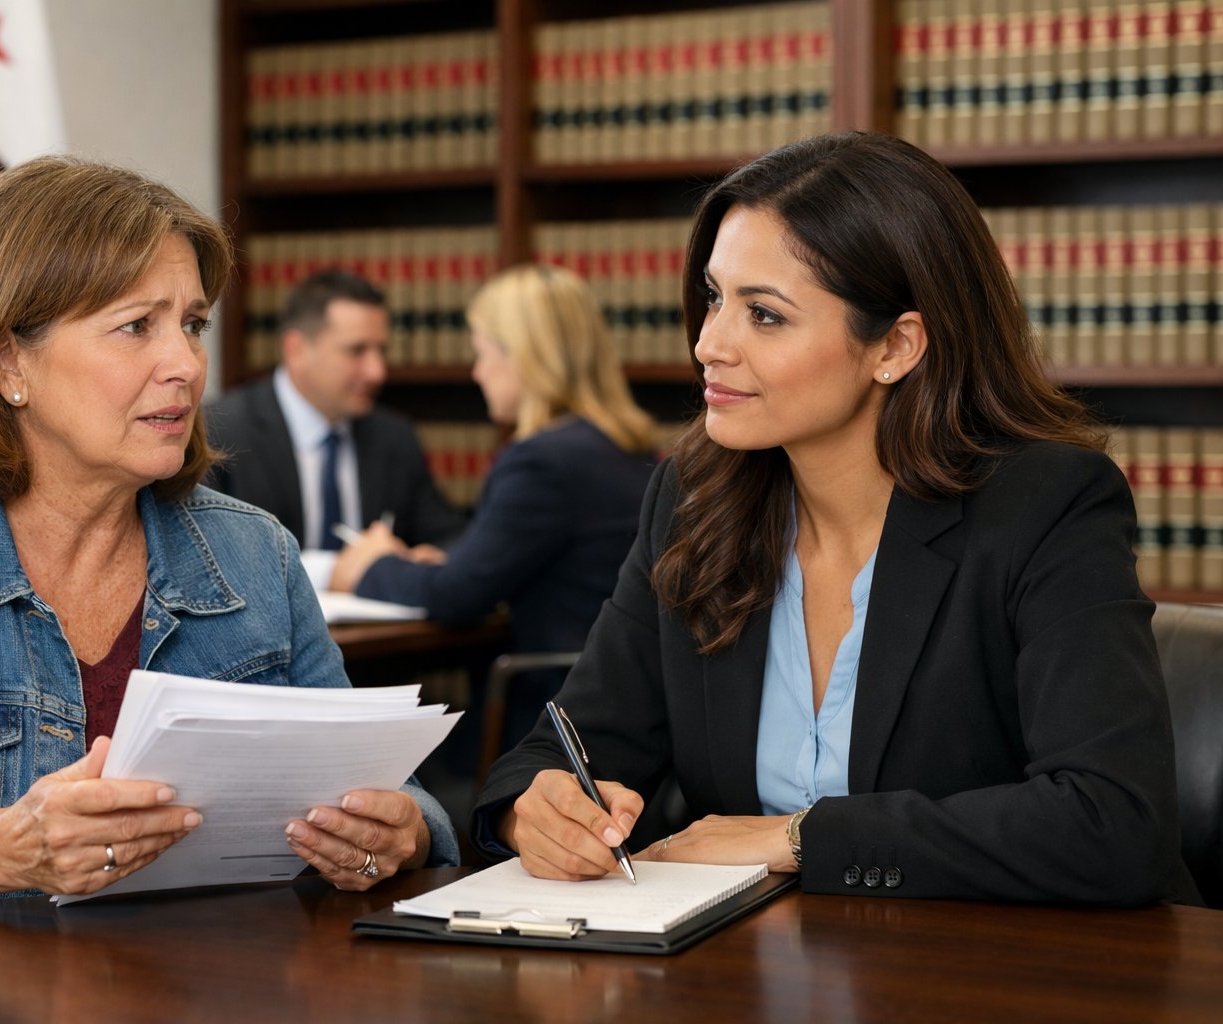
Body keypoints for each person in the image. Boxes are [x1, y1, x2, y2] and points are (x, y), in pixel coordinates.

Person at [0, 156, 456, 911]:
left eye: (192, 325)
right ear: (9, 364)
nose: (188, 366)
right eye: (137, 326)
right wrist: (1, 850)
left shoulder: (256, 554)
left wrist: (396, 835)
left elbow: (407, 809)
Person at [472, 132, 1196, 906]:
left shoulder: (1045, 504)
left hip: (1010, 977)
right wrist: (534, 812)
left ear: (895, 345)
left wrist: (795, 838)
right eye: (715, 297)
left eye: (765, 315)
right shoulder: (693, 499)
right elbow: (566, 749)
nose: (708, 343)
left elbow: (1110, 822)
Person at [329, 264, 659, 749]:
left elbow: (457, 596)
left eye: (483, 353)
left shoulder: (542, 461)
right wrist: (443, 562)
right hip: (626, 715)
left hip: (552, 724)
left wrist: (368, 566)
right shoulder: (628, 449)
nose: (476, 371)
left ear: (523, 358)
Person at [203, 270, 465, 556]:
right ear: (296, 348)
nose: (377, 372)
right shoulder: (221, 430)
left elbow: (447, 535)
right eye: (357, 351)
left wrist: (429, 556)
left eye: (381, 351)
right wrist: (333, 572)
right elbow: (210, 555)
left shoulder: (394, 437)